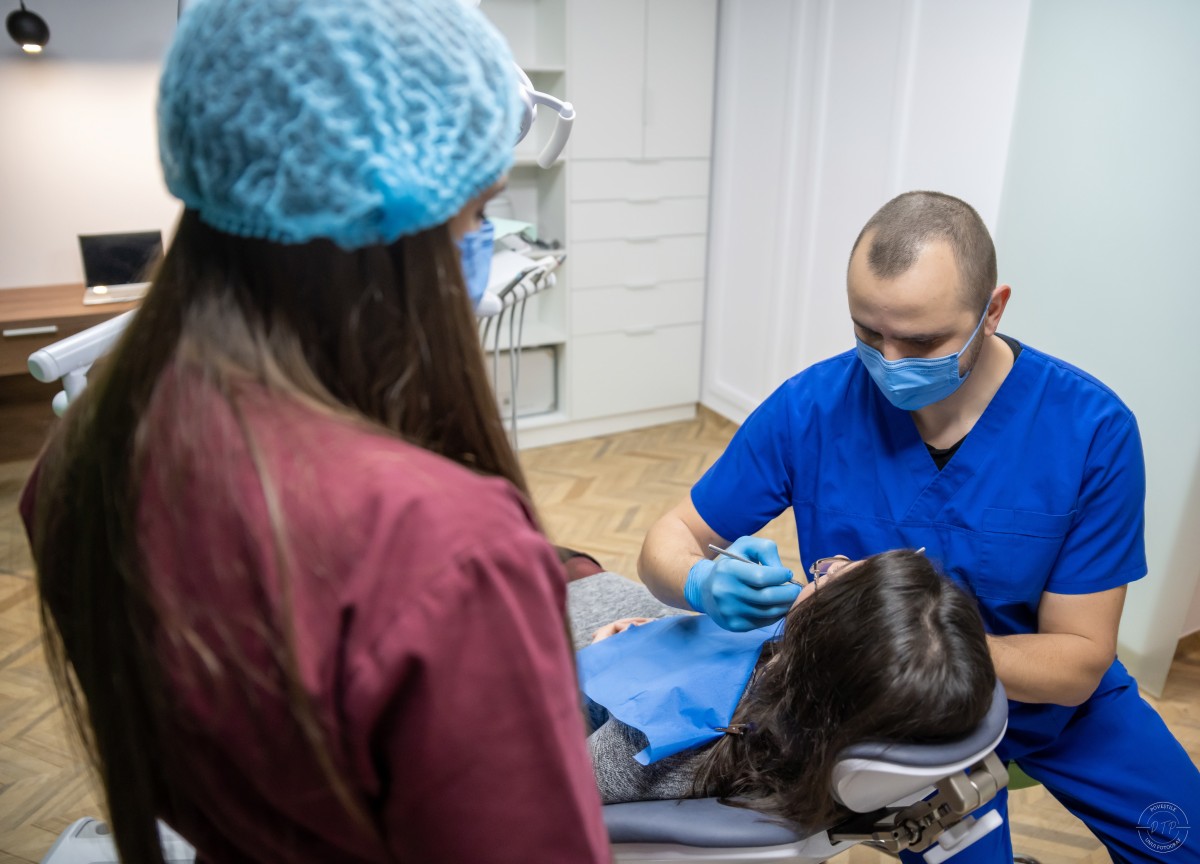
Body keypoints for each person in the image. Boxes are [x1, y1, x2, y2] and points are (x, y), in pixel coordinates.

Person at [20, 1, 609, 862]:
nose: (486, 242)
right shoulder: (447, 553)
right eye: (480, 209)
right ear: (390, 216)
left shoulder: (81, 455)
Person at [638, 190, 1200, 862]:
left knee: (1185, 843)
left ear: (993, 310)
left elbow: (1077, 664)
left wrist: (900, 639)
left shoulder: (1090, 432)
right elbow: (670, 538)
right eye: (868, 333)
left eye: (922, 341)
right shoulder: (812, 409)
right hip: (898, 719)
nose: (891, 362)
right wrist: (701, 581)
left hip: (1056, 707)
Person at [571, 549, 997, 832]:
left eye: (829, 576)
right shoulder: (833, 701)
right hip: (633, 637)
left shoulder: (657, 736)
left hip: (576, 672)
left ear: (813, 643)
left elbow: (561, 783)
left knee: (568, 560)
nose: (833, 563)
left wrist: (595, 667)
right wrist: (664, 633)